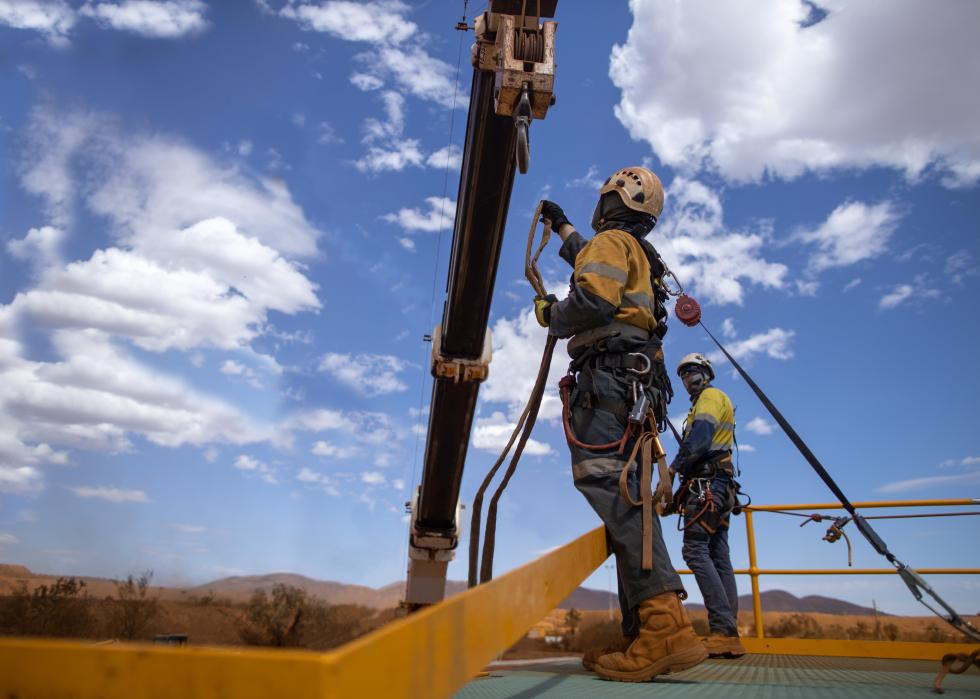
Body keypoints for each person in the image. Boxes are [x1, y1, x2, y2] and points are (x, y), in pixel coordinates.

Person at [535, 166, 707, 682]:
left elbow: (592, 299)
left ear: (612, 199)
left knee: (606, 483)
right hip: (634, 387)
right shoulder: (633, 254)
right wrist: (562, 228)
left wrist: (549, 313)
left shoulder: (611, 243)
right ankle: (642, 632)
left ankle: (664, 626)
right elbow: (590, 261)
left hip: (607, 384)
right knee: (628, 496)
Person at [670, 353, 746, 658]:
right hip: (720, 486)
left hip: (708, 486)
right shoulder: (706, 402)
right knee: (717, 554)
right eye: (684, 374)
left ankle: (724, 630)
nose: (688, 377)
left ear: (707, 373)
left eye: (693, 371)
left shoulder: (711, 397)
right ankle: (728, 632)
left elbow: (700, 441)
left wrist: (673, 470)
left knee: (695, 550)